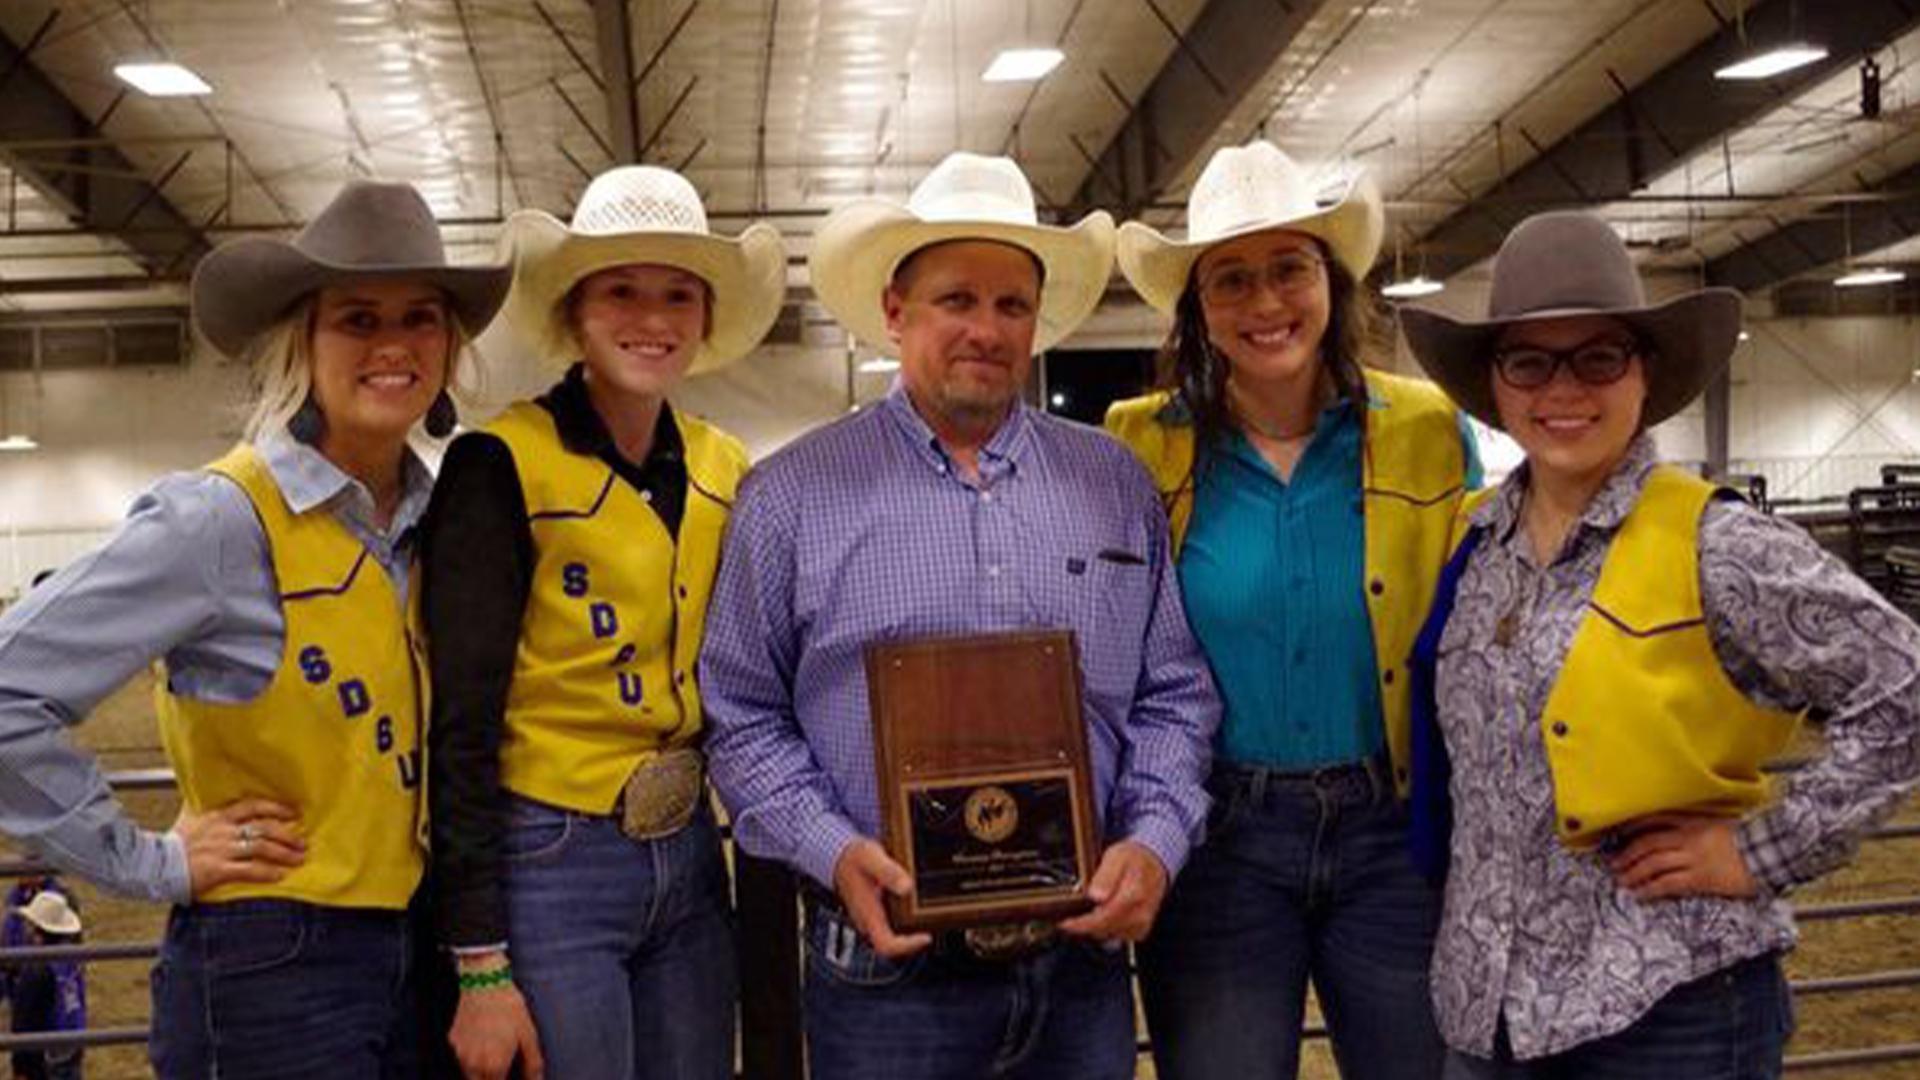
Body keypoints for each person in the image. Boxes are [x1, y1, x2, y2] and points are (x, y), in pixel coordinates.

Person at [700, 151, 1220, 1080]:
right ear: (896, 311)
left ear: (1036, 321)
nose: (986, 329)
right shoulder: (789, 499)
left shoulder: (1114, 483)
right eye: (956, 300)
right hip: (886, 970)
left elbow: (1175, 691)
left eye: (1010, 305)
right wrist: (830, 848)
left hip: (1081, 965)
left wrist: (1156, 840)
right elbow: (739, 715)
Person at [0, 179, 509, 1078]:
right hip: (268, 965)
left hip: (409, 956)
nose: (394, 345)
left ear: (448, 345)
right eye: (357, 318)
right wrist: (151, 863)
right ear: (300, 343)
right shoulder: (218, 520)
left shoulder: (431, 525)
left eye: (420, 317)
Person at [1399, 210, 1920, 1077]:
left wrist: (1761, 851)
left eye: (1598, 356)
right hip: (1489, 1013)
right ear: (1496, 384)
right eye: (1529, 360)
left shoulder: (1718, 543)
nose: (1562, 389)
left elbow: (1903, 685)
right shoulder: (1473, 542)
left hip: (1666, 1007)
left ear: (1643, 373)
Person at [1104, 139, 1474, 1080]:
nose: (1266, 304)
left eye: (1288, 271)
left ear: (1332, 284)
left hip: (1397, 832)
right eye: (1231, 280)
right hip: (1219, 832)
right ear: (1198, 310)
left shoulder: (1430, 429)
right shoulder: (1141, 446)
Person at [422, 164, 784, 1080]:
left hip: (692, 852)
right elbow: (461, 715)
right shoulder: (499, 462)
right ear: (576, 312)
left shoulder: (724, 465)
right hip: (550, 854)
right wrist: (477, 957)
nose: (650, 318)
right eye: (620, 289)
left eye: (676, 295)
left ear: (704, 319)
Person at [8, 891, 85, 1080]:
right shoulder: (71, 961)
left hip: (44, 1065)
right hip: (69, 1054)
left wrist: (21, 1070)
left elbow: (24, 1025)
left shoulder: (35, 971)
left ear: (37, 931)